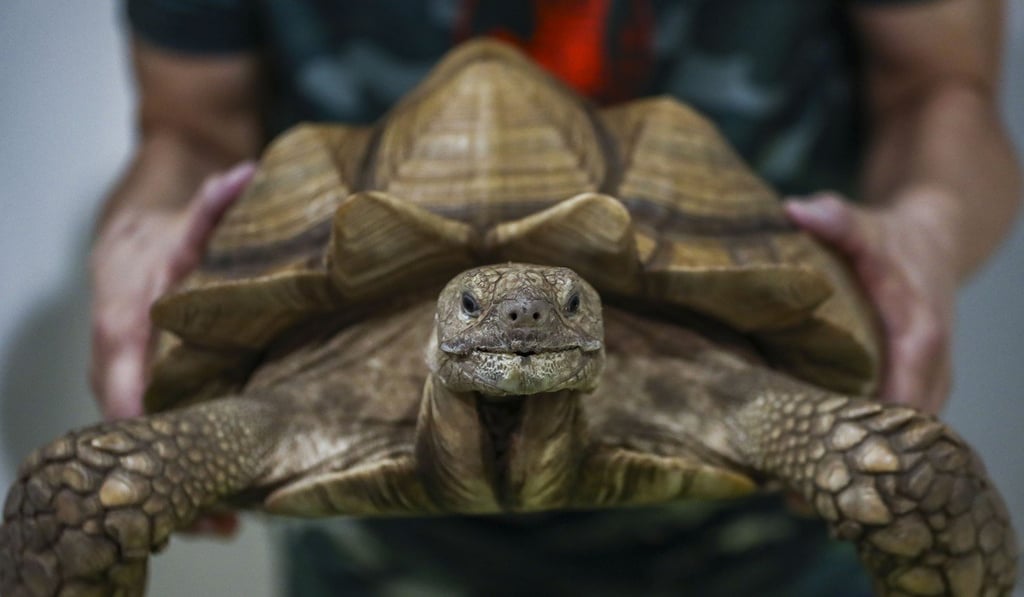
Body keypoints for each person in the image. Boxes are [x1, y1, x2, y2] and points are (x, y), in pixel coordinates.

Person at [91, 1, 1021, 595]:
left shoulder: (747, 407)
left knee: (910, 478)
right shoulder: (300, 401)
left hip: (764, 552)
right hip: (374, 559)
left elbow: (941, 81)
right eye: (479, 309)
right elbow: (188, 122)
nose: (523, 320)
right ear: (445, 324)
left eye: (560, 306)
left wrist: (926, 230)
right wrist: (141, 239)